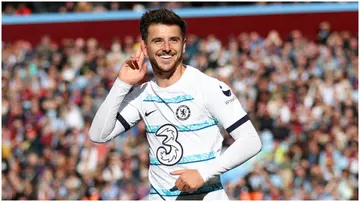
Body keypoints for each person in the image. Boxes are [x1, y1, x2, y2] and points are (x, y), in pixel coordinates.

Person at [89, 8, 262, 200]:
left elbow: (251, 140)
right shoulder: (142, 94)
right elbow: (98, 135)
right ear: (144, 48)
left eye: (174, 40)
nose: (166, 47)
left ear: (184, 45)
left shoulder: (207, 87)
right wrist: (122, 84)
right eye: (158, 41)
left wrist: (203, 173)